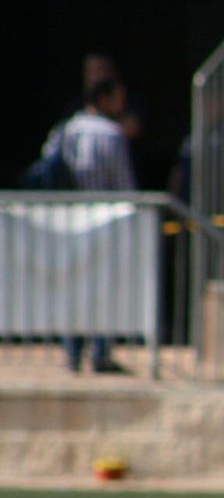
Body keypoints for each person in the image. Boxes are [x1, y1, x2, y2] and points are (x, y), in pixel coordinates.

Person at [57, 76, 137, 374]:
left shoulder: (67, 130)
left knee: (73, 284)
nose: (122, 105)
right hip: (104, 222)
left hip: (69, 220)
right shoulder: (111, 134)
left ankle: (72, 352)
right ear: (104, 100)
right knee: (104, 287)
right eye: (118, 98)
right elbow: (124, 184)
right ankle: (100, 353)